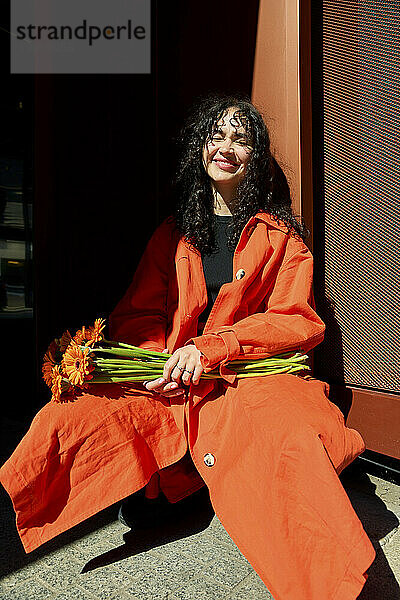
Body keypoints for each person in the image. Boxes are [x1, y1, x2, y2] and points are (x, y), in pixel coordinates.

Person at [0, 93, 375, 600]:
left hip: (248, 375)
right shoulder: (173, 235)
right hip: (172, 377)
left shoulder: (283, 238)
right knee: (76, 414)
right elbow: (139, 314)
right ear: (200, 148)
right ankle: (174, 482)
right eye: (216, 135)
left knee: (286, 438)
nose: (226, 147)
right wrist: (158, 358)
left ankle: (330, 579)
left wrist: (216, 347)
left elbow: (294, 321)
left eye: (241, 139)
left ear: (257, 158)